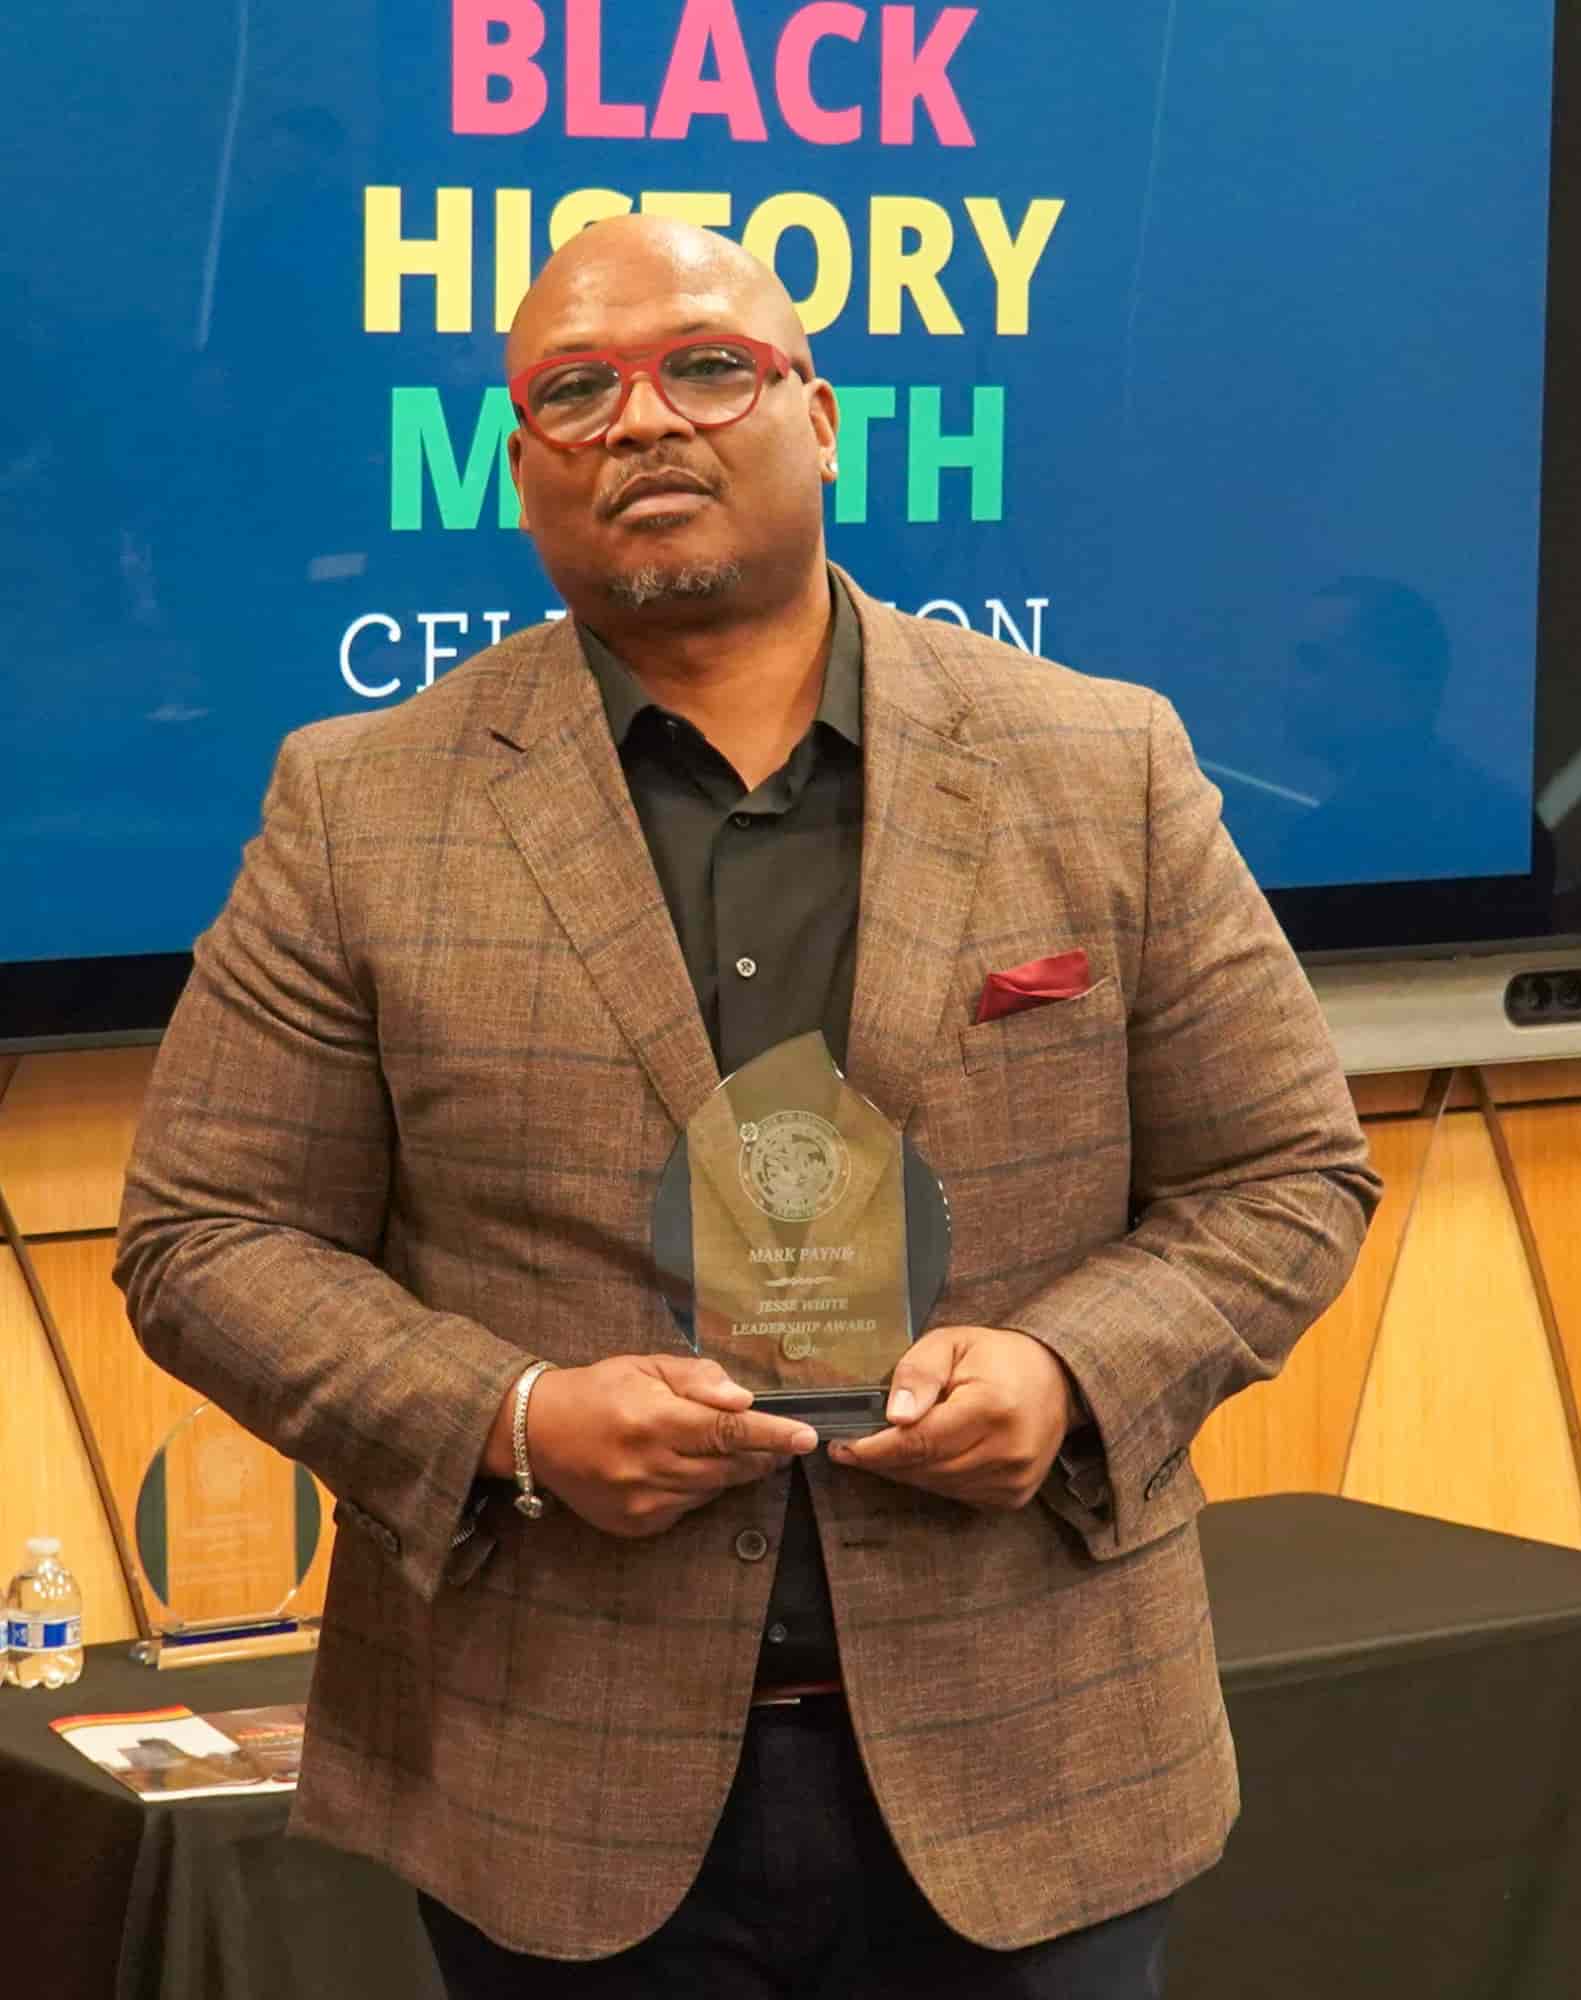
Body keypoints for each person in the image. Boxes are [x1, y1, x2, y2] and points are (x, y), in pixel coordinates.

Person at [115, 216, 1381, 1999]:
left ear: (824, 418)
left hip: (1042, 1762)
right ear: (522, 464)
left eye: (708, 364)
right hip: (553, 1787)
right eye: (577, 389)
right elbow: (203, 1240)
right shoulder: (359, 808)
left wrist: (1071, 1369)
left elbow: (1288, 1174)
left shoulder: (1106, 762)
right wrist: (514, 1414)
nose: (645, 422)